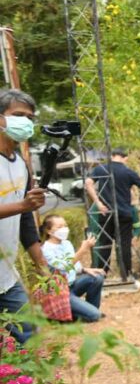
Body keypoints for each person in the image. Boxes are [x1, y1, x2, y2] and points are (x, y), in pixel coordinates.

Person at [0, 89, 50, 342]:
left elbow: (26, 222)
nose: (25, 122)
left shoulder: (21, 165)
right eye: (18, 115)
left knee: (30, 336)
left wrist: (43, 267)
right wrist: (22, 205)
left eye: (30, 118)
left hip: (5, 278)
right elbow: (23, 208)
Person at [85, 147, 140, 281]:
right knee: (124, 245)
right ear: (124, 158)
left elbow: (88, 183)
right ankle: (126, 275)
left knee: (105, 244)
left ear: (113, 155)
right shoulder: (128, 172)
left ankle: (102, 274)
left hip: (105, 213)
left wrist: (97, 202)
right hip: (124, 213)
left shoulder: (101, 169)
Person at [40, 214, 104, 322]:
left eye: (65, 226)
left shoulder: (67, 243)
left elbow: (75, 265)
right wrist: (83, 249)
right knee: (95, 316)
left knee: (97, 277)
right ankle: (71, 314)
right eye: (60, 227)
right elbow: (64, 266)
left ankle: (89, 309)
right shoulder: (46, 249)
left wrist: (85, 269)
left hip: (72, 285)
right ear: (49, 231)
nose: (64, 229)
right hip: (60, 292)